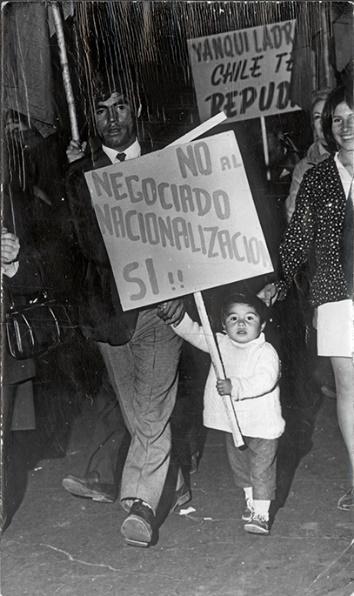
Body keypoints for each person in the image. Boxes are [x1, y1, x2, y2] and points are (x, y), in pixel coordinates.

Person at [64, 71, 190, 547]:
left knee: (154, 410)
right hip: (109, 315)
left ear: (135, 109)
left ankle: (139, 502)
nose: (111, 118)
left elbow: (189, 230)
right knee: (138, 415)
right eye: (101, 109)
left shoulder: (169, 161)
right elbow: (86, 246)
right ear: (92, 118)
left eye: (119, 107)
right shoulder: (79, 177)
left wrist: (181, 281)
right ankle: (173, 486)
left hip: (161, 309)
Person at [259, 85, 354, 512]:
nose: (346, 126)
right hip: (335, 295)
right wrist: (279, 279)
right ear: (329, 128)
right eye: (338, 119)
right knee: (350, 392)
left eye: (353, 117)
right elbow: (299, 237)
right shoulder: (318, 176)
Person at [172, 293, 285, 535]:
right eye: (233, 318)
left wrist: (236, 387)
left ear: (262, 325)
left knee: (262, 470)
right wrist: (176, 319)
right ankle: (250, 501)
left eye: (249, 318)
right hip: (234, 424)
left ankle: (261, 514)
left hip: (262, 425)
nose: (241, 324)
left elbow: (265, 379)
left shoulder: (265, 351)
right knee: (241, 468)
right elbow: (194, 332)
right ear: (224, 326)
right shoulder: (220, 344)